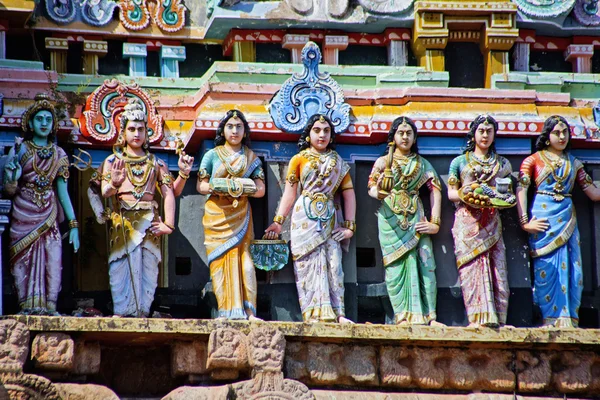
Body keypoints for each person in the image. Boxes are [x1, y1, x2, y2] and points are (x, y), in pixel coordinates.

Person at [264, 114, 356, 323]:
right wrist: (278, 222)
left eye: (326, 130)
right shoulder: (299, 159)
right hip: (304, 217)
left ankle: (338, 312)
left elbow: (349, 192)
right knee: (307, 264)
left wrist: (350, 225)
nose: (322, 134)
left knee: (334, 264)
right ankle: (312, 313)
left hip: (330, 217)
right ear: (308, 134)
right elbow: (290, 192)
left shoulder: (338, 161)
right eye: (317, 130)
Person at [90, 98, 176, 317]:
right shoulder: (113, 161)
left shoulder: (156, 163)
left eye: (141, 129)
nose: (136, 134)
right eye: (131, 129)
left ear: (147, 133)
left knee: (148, 268)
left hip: (149, 221)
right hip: (123, 222)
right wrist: (115, 184)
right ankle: (123, 310)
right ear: (123, 132)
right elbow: (102, 191)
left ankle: (142, 311)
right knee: (121, 266)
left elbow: (168, 192)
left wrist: (169, 225)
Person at [516, 116, 600, 328]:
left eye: (565, 132)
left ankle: (569, 317)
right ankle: (549, 318)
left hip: (567, 219)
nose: (562, 137)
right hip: (543, 221)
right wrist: (525, 222)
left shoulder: (575, 164)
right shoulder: (533, 160)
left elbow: (593, 193)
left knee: (573, 268)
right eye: (557, 132)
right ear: (547, 136)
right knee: (547, 267)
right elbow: (521, 189)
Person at [3, 93, 80, 315]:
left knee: (53, 260)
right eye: (40, 119)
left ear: (54, 124)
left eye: (48, 119)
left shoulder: (59, 154)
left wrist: (73, 225)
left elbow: (63, 193)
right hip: (22, 212)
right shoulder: (20, 150)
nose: (44, 124)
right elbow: (9, 190)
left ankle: (50, 306)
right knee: (22, 260)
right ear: (30, 122)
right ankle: (26, 305)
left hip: (49, 212)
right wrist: (13, 177)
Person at [368, 117, 442, 325]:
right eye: (401, 133)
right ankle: (402, 315)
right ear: (393, 137)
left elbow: (436, 189)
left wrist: (435, 222)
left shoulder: (422, 164)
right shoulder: (384, 162)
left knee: (427, 264)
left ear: (415, 137)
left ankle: (430, 316)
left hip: (417, 220)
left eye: (409, 133)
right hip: (391, 220)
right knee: (395, 267)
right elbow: (371, 187)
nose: (405, 137)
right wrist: (379, 192)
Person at [197, 110, 266, 320]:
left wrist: (242, 187)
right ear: (223, 130)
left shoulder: (251, 158)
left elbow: (261, 189)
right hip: (217, 215)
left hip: (241, 214)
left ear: (245, 132)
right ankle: (226, 310)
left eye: (239, 127)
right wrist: (223, 186)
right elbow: (201, 185)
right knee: (219, 263)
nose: (234, 131)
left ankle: (248, 311)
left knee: (245, 262)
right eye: (230, 126)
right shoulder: (212, 155)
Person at [447, 115, 512, 327]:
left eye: (489, 131)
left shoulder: (503, 164)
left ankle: (499, 320)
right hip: (468, 223)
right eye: (481, 130)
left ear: (494, 135)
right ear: (473, 133)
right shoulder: (459, 162)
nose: (485, 135)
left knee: (498, 273)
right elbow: (451, 193)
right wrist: (468, 193)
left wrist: (496, 197)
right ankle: (477, 319)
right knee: (472, 271)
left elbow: (508, 193)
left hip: (492, 221)